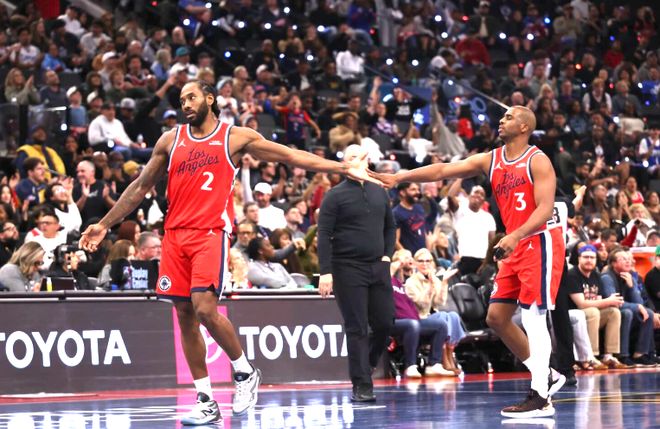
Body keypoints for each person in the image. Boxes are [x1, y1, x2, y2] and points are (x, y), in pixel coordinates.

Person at [80, 79, 372, 426]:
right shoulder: (170, 140)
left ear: (210, 98)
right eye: (181, 99)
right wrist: (105, 224)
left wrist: (341, 168)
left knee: (205, 309)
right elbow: (140, 186)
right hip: (174, 236)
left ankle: (245, 372)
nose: (185, 104)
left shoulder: (234, 137)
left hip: (209, 234)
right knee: (184, 315)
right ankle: (205, 399)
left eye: (191, 97)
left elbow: (290, 155)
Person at [370, 106, 566, 418]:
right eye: (502, 116)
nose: (501, 120)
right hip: (514, 244)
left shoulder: (537, 160)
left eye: (509, 117)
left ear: (525, 126)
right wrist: (400, 176)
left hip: (538, 241)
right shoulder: (492, 159)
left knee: (533, 316)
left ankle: (540, 395)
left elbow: (544, 209)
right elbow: (442, 170)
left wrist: (516, 235)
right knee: (497, 318)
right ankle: (547, 374)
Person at [317, 144, 396, 403]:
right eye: (349, 157)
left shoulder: (379, 192)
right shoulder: (334, 195)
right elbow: (323, 235)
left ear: (367, 160)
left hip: (378, 266)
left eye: (358, 156)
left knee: (385, 322)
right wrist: (325, 272)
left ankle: (368, 363)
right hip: (347, 267)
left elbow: (389, 227)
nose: (355, 160)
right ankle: (361, 384)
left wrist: (387, 256)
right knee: (357, 326)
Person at [565, 244, 628, 369]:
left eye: (592, 257)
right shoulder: (572, 275)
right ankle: (591, 356)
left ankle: (609, 355)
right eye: (586, 257)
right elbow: (581, 304)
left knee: (613, 312)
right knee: (593, 311)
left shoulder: (596, 275)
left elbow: (598, 300)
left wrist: (611, 302)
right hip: (573, 316)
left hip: (590, 316)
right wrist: (608, 301)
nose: (589, 260)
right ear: (579, 259)